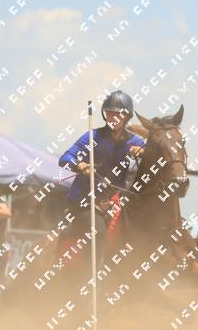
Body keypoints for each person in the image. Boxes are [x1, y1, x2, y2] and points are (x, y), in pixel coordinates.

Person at [58, 90, 146, 280]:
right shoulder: (92, 137)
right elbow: (65, 158)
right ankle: (90, 279)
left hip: (114, 203)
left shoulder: (135, 141)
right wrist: (80, 165)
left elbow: (153, 151)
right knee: (96, 232)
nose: (113, 118)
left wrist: (143, 152)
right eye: (109, 113)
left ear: (126, 117)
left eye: (118, 114)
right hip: (83, 204)